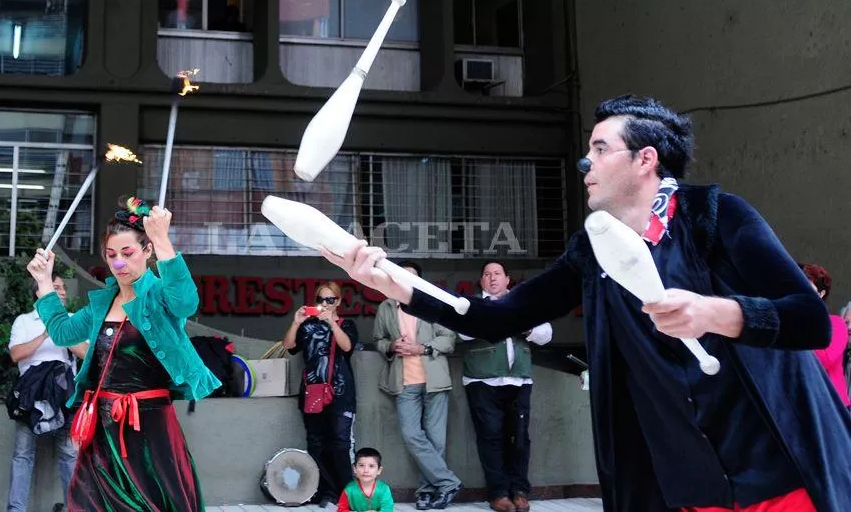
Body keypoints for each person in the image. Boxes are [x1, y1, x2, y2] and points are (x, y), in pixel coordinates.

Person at [321, 95, 851, 512]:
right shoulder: (591, 249)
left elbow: (809, 320)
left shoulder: (715, 216)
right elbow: (495, 316)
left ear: (646, 159)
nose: (585, 163)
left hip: (777, 465)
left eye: (600, 149)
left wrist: (717, 312)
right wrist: (395, 284)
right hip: (689, 479)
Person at [26, 196, 221, 512]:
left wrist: (162, 239)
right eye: (111, 254)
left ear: (146, 252)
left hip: (150, 429)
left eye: (128, 253)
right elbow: (62, 332)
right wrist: (44, 283)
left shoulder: (158, 295)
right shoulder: (102, 303)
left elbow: (187, 303)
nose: (118, 263)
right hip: (103, 430)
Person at [459, 261, 552, 512]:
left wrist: (527, 326)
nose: (492, 278)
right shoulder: (473, 304)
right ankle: (498, 493)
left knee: (520, 439)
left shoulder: (524, 302)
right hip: (482, 381)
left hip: (519, 381)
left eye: (497, 274)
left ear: (507, 279)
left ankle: (519, 491)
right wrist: (489, 317)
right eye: (487, 274)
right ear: (481, 281)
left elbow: (546, 333)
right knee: (490, 438)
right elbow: (461, 333)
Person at [373, 261, 461, 510]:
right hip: (403, 382)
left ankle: (426, 492)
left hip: (434, 381)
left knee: (436, 441)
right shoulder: (387, 306)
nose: (405, 279)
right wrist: (391, 346)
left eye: (411, 276)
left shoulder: (433, 303)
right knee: (412, 435)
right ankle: (448, 483)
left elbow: (449, 339)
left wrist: (421, 348)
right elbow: (378, 339)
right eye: (401, 275)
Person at [6, 277, 89, 512]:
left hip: (64, 395)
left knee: (70, 455)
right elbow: (16, 354)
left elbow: (86, 353)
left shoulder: (72, 320)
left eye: (62, 288)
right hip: (30, 397)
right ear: (39, 292)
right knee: (22, 455)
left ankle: (73, 508)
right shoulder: (24, 321)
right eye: (56, 288)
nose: (62, 292)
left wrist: (60, 329)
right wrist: (44, 334)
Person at [283, 281, 358, 508]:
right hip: (312, 390)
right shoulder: (307, 326)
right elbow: (289, 345)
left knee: (340, 444)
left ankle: (346, 494)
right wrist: (296, 323)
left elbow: (347, 347)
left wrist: (332, 324)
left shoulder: (347, 324)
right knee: (315, 443)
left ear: (338, 302)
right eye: (321, 300)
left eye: (330, 300)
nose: (325, 304)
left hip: (341, 390)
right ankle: (324, 492)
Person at [799, 263, 851, 410]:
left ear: (821, 294)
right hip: (805, 402)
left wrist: (791, 340)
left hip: (833, 407)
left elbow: (825, 358)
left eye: (807, 286)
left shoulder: (836, 323)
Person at [337, 447, 395, 512]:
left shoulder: (384, 489)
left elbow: (388, 509)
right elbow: (341, 510)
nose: (366, 470)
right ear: (355, 469)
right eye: (361, 465)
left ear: (379, 470)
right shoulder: (349, 490)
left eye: (371, 466)